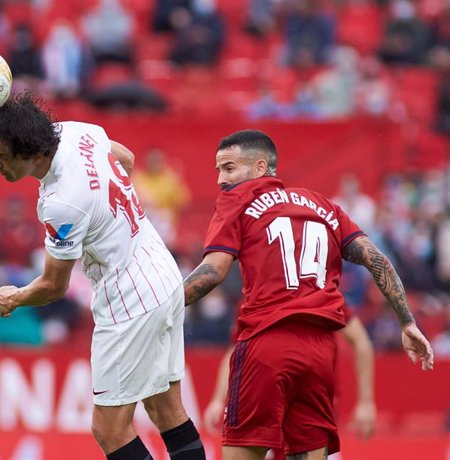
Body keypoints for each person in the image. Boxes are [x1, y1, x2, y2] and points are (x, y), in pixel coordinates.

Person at [183, 129, 433, 459]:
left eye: (228, 168)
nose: (220, 180)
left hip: (266, 344)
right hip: (319, 354)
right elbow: (376, 258)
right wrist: (407, 322)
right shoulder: (323, 205)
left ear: (260, 168)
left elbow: (214, 271)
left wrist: (157, 306)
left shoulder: (237, 200)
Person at [0, 92, 205, 460]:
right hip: (161, 272)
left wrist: (16, 297)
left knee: (110, 430)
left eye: (3, 156)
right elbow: (126, 159)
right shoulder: (72, 131)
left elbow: (54, 286)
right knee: (165, 409)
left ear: (34, 154)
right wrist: (108, 214)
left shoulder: (62, 203)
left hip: (129, 300)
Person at [203, 306, 376, 458]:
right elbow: (236, 348)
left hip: (304, 399)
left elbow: (360, 340)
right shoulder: (257, 292)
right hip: (279, 396)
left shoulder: (320, 287)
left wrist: (366, 402)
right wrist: (218, 399)